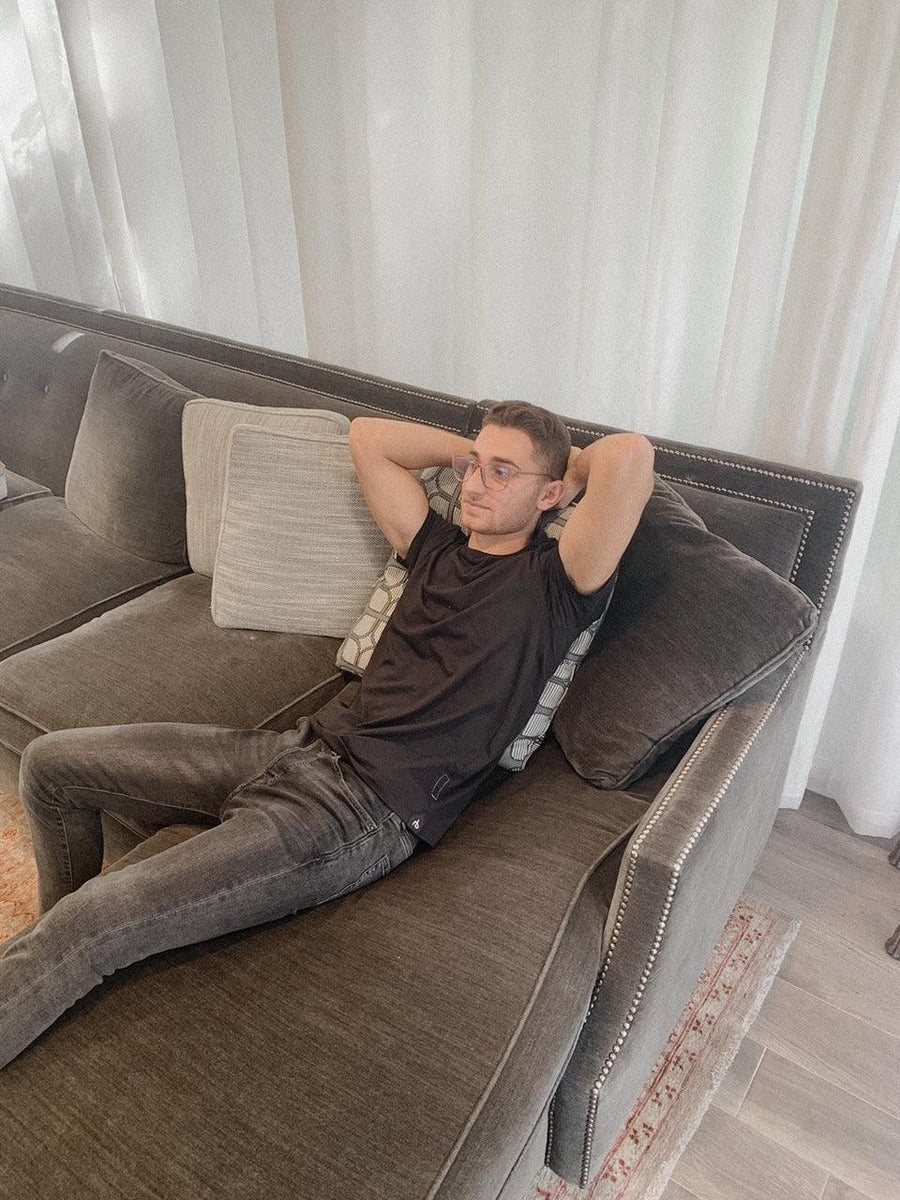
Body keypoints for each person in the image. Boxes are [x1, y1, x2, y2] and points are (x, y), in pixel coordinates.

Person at [0, 401, 654, 1069]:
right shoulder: (434, 547)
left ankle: (56, 950)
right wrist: (475, 455)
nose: (477, 485)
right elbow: (369, 439)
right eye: (476, 467)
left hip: (361, 810)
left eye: (502, 472)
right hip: (298, 748)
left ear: (549, 495)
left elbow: (631, 455)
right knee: (50, 766)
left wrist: (567, 470)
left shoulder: (556, 585)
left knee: (100, 921)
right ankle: (45, 957)